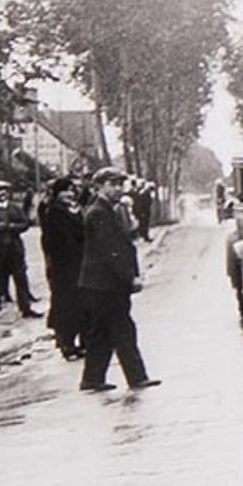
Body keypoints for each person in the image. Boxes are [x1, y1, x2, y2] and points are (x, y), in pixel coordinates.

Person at [76, 168, 158, 392]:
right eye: (113, 184)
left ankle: (92, 379)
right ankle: (136, 377)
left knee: (102, 333)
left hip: (101, 283)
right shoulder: (99, 213)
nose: (119, 189)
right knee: (123, 330)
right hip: (106, 283)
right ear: (99, 187)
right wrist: (129, 277)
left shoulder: (106, 211)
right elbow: (111, 251)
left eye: (121, 184)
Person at [38, 176, 89, 359]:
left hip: (79, 262)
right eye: (64, 191)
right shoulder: (54, 212)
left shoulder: (77, 210)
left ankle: (83, 341)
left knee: (82, 302)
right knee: (66, 304)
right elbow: (54, 240)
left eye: (71, 191)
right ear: (57, 194)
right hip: (64, 265)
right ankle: (67, 343)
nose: (69, 194)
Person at [0, 179, 40, 320]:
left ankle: (25, 307)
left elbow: (24, 223)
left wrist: (12, 226)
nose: (1, 193)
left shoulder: (15, 208)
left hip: (13, 248)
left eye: (4, 190)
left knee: (21, 278)